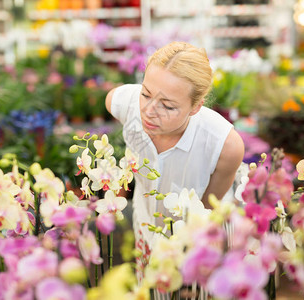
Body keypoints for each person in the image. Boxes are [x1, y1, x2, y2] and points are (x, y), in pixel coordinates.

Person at [105, 41, 245, 289]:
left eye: (167, 106)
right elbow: (113, 99)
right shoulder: (123, 102)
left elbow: (206, 209)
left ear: (195, 107)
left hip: (200, 236)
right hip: (145, 223)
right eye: (146, 93)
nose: (148, 111)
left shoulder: (224, 145)